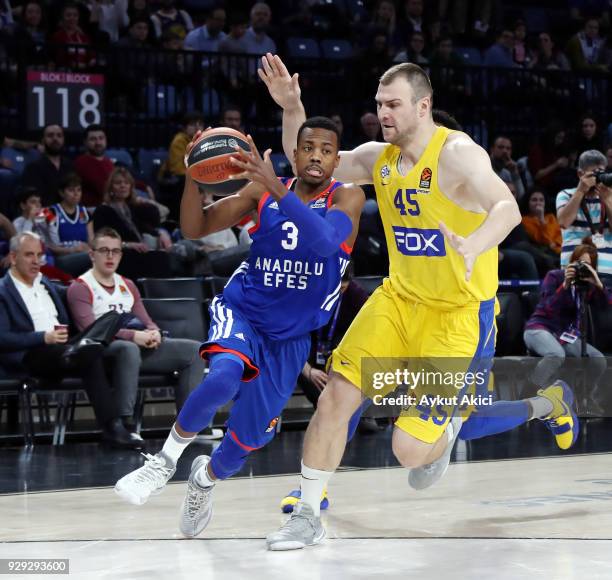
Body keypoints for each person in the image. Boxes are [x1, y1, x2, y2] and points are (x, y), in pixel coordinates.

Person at [260, 54, 579, 550]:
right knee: (336, 397)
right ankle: (306, 510)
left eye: (392, 104)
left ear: (423, 105)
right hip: (398, 300)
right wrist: (292, 106)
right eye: (378, 104)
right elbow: (310, 161)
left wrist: (476, 244)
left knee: (410, 451)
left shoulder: (457, 153)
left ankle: (546, 403)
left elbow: (507, 207)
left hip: (456, 318)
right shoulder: (377, 158)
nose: (382, 113)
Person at [114, 116, 365, 541]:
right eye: (309, 147)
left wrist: (278, 188)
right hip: (244, 310)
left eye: (326, 149)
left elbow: (324, 242)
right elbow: (195, 228)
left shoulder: (348, 197)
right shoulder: (261, 191)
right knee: (223, 378)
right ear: (295, 153)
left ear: (337, 159)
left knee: (249, 437)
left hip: (290, 338)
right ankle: (163, 461)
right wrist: (195, 177)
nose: (317, 156)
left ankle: (204, 481)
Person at [0, 231, 141, 448]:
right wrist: (43, 337)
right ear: (12, 257)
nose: (37, 261)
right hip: (31, 354)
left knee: (108, 322)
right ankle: (114, 427)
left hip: (64, 347)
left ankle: (79, 351)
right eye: (29, 255)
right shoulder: (3, 291)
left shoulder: (44, 282)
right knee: (90, 356)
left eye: (40, 255)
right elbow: (3, 338)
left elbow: (74, 292)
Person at [67, 227, 210, 438]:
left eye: (115, 251)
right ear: (92, 254)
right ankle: (125, 423)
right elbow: (90, 332)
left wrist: (155, 333)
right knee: (128, 348)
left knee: (195, 350)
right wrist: (134, 336)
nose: (110, 256)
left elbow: (147, 321)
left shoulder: (128, 285)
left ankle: (190, 425)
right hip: (104, 353)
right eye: (104, 250)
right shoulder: (79, 287)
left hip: (138, 347)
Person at [524, 240, 609, 406]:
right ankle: (528, 393)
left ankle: (584, 397)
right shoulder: (555, 276)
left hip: (564, 335)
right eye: (580, 263)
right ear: (572, 261)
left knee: (598, 360)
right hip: (540, 328)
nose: (582, 268)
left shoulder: (587, 285)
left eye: (588, 265)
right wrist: (565, 285)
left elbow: (606, 307)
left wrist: (598, 283)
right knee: (556, 355)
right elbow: (547, 308)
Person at [557, 149, 612, 284]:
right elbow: (564, 222)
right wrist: (581, 190)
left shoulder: (609, 195)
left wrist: (608, 200)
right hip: (575, 266)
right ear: (580, 174)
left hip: (608, 269)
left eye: (601, 173)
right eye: (594, 173)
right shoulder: (566, 195)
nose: (598, 178)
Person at [22, 124, 74, 206]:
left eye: (59, 135)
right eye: (50, 135)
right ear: (43, 140)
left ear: (63, 139)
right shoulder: (33, 168)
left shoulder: (70, 166)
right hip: (44, 215)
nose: (55, 138)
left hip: (67, 214)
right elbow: (32, 201)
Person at [74, 124, 114, 208]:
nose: (98, 142)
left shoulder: (108, 162)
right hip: (91, 210)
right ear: (85, 142)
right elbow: (103, 189)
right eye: (93, 139)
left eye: (101, 138)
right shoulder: (81, 162)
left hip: (109, 206)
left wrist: (145, 187)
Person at [521, 189, 562, 270]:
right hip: (544, 252)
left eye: (541, 200)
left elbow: (559, 235)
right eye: (534, 200)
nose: (538, 203)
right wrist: (541, 219)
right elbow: (542, 240)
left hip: (558, 251)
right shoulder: (524, 220)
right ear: (528, 203)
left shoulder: (551, 217)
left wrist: (555, 243)